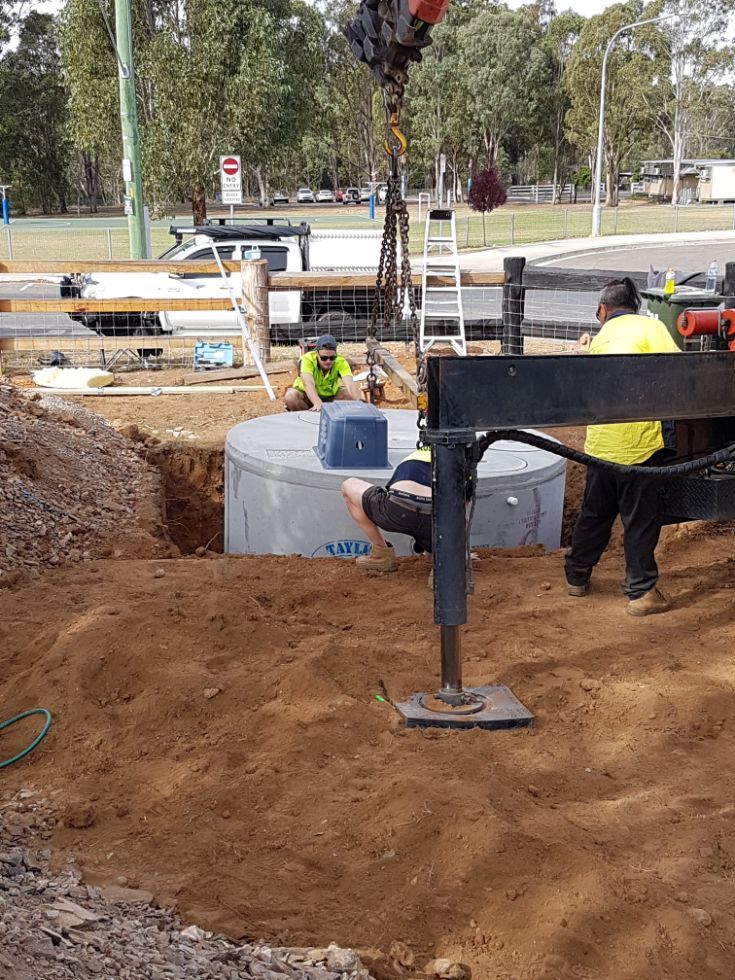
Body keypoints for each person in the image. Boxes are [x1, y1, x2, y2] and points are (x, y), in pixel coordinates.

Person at [565, 276, 680, 617]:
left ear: (603, 310)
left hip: (600, 445)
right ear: (635, 308)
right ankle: (642, 591)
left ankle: (576, 577)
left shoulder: (599, 340)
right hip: (640, 445)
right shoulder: (651, 329)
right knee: (640, 519)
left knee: (595, 514)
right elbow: (680, 371)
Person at [341, 446, 432, 572]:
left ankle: (381, 554)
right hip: (433, 521)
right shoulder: (464, 463)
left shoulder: (418, 454)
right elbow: (460, 513)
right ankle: (441, 564)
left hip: (396, 511)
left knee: (348, 485)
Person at [284, 334, 361, 411]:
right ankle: (307, 418)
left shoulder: (340, 361)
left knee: (348, 394)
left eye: (332, 358)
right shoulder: (307, 359)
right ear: (317, 353)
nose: (328, 361)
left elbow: (350, 385)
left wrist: (361, 404)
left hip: (329, 398)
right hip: (307, 397)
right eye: (324, 358)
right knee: (291, 396)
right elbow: (308, 383)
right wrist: (317, 402)